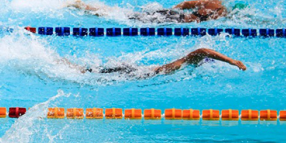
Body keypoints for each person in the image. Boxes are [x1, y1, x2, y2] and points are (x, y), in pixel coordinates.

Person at [61, 48, 246, 79]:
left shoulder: (183, 65)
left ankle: (67, 64)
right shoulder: (184, 62)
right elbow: (202, 50)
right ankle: (63, 64)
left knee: (89, 71)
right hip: (134, 72)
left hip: (136, 72)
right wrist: (231, 61)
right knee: (85, 73)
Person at [66, 0, 247, 24]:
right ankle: (83, 6)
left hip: (172, 15)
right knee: (127, 17)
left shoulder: (213, 1)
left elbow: (184, 4)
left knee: (127, 15)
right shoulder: (219, 12)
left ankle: (87, 6)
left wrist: (169, 10)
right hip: (173, 19)